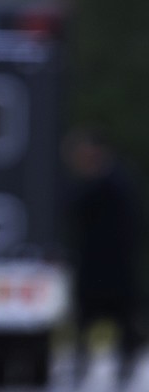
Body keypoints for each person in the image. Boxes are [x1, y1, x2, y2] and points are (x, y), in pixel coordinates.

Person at [63, 128, 145, 385]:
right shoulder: (88, 183)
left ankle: (125, 365)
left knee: (124, 322)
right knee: (84, 321)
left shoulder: (117, 182)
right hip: (90, 268)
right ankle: (80, 367)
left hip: (117, 268)